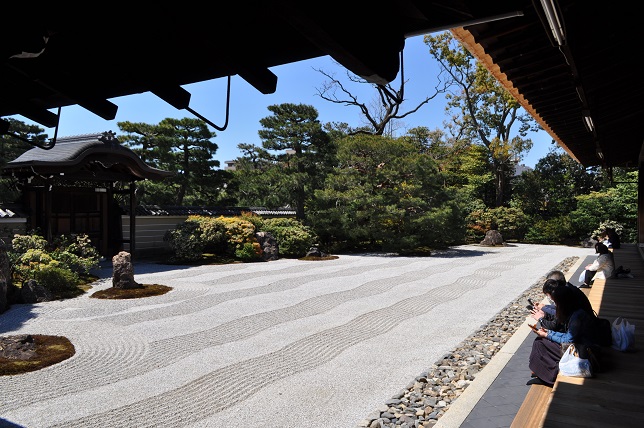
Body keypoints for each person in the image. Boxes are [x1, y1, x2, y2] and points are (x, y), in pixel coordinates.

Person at [527, 280, 598, 386]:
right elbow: (568, 335)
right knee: (541, 341)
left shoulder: (576, 318)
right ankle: (541, 372)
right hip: (581, 346)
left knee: (540, 343)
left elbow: (569, 339)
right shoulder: (574, 312)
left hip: (583, 352)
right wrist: (549, 332)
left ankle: (549, 376)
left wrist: (547, 334)